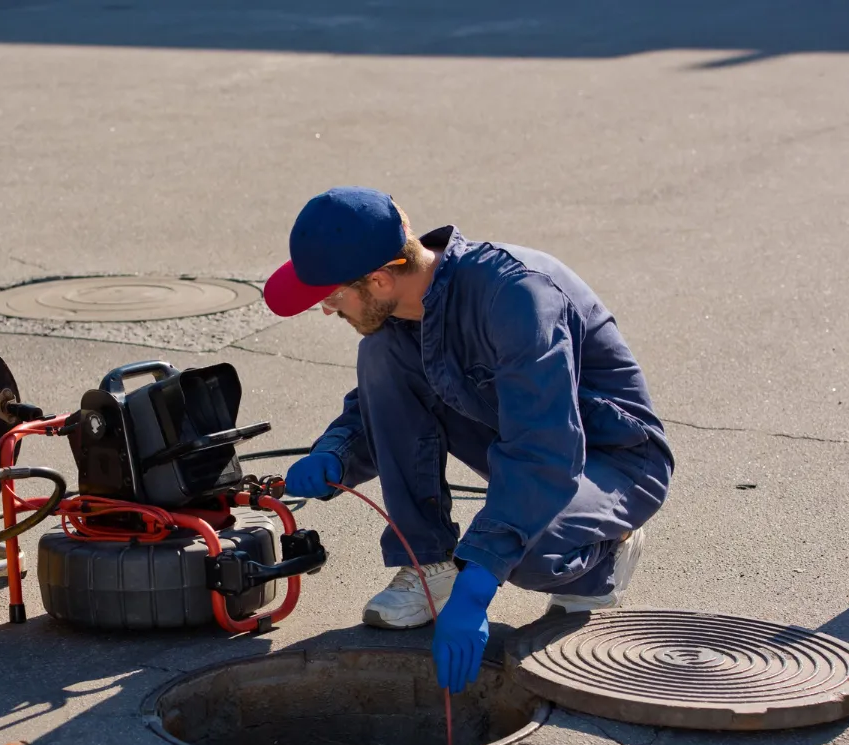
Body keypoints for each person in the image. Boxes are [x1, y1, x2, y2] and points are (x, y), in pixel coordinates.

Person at [263, 187, 674, 694]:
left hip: (612, 460)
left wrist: (479, 580)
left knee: (521, 551)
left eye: (331, 297)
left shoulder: (518, 297)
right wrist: (336, 454)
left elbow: (544, 451)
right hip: (517, 434)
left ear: (379, 278)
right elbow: (390, 408)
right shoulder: (402, 309)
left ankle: (602, 554)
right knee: (382, 356)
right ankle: (429, 566)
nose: (326, 310)